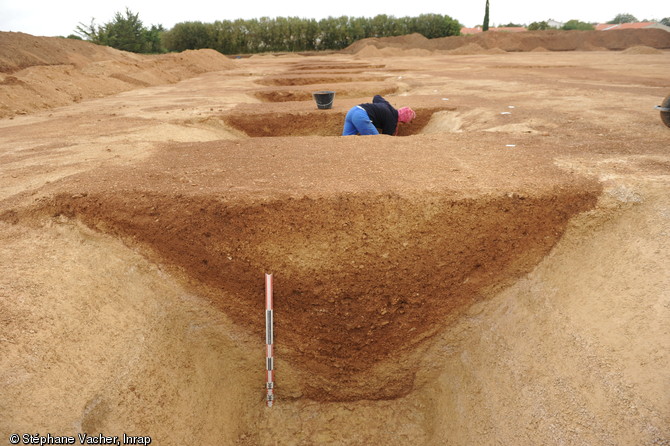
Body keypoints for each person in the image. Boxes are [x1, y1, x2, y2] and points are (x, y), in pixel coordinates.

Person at [342, 95, 416, 136]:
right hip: (361, 116)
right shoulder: (392, 121)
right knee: (377, 142)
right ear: (402, 120)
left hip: (353, 110)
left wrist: (379, 110)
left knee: (346, 141)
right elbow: (385, 139)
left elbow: (376, 97)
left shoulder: (387, 105)